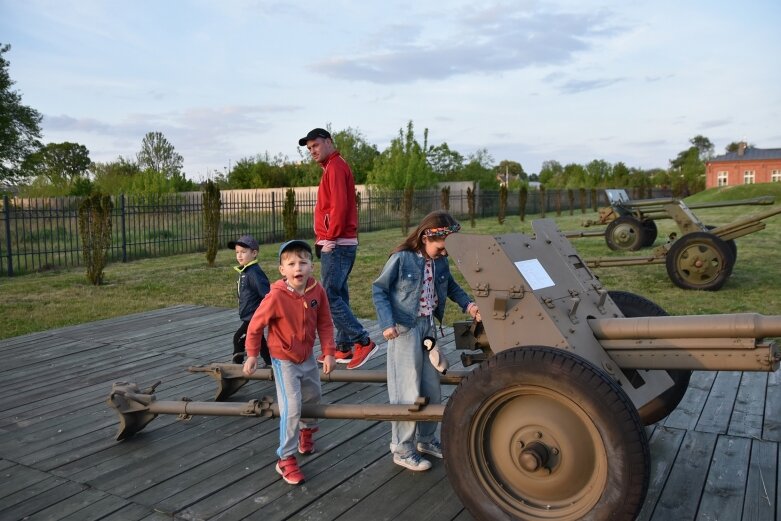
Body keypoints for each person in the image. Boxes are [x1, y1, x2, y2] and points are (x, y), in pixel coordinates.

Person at [372, 211, 481, 472]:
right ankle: (402, 448)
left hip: (427, 328)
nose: (444, 253)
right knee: (406, 388)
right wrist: (387, 324)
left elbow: (451, 286)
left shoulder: (440, 262)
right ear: (425, 237)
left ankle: (426, 439)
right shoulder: (402, 258)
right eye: (441, 248)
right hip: (404, 329)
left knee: (431, 386)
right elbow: (379, 289)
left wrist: (469, 305)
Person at [243, 240, 336, 486]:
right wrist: (252, 354)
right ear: (282, 270)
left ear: (312, 267)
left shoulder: (317, 292)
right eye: (291, 263)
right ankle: (285, 457)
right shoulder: (276, 296)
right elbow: (255, 326)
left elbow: (325, 323)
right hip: (284, 359)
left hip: (307, 356)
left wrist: (328, 352)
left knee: (314, 396)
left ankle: (307, 431)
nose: (298, 267)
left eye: (303, 262)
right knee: (291, 406)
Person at [298, 127, 377, 370]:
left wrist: (329, 238)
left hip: (338, 243)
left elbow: (340, 209)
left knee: (330, 296)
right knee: (339, 293)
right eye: (309, 148)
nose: (312, 151)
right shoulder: (332, 167)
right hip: (338, 242)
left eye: (316, 145)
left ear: (329, 142)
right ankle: (343, 347)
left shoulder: (335, 167)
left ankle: (362, 341)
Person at [228, 234, 271, 366]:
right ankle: (270, 362)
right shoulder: (246, 271)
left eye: (243, 252)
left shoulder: (254, 273)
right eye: (237, 252)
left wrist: (265, 312)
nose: (239, 256)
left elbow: (266, 294)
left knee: (238, 339)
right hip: (249, 314)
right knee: (260, 340)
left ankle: (237, 366)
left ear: (254, 253)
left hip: (253, 316)